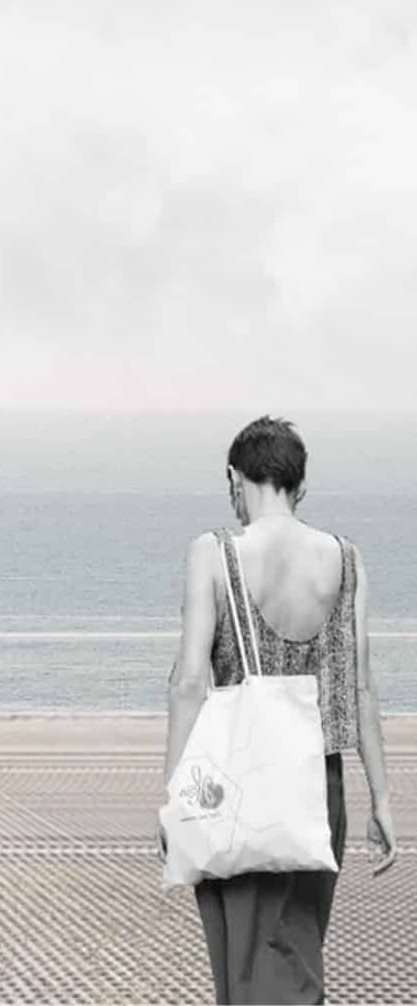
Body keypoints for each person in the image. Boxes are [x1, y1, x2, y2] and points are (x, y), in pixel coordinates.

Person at [162, 415, 397, 1003]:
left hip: (236, 784)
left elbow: (189, 683)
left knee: (245, 967)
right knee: (295, 950)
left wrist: (174, 797)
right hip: (319, 789)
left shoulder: (213, 554)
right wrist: (382, 798)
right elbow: (363, 687)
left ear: (235, 478)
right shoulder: (346, 559)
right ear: (301, 485)